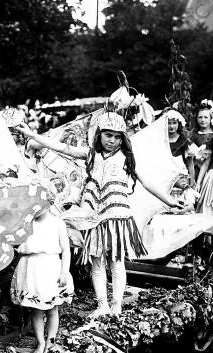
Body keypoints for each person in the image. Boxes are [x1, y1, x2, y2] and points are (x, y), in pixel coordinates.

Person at [17, 112, 182, 317]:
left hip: (116, 216)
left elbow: (147, 181)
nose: (112, 140)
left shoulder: (126, 158)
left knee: (116, 261)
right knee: (96, 261)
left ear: (122, 138)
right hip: (92, 215)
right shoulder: (90, 154)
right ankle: (102, 304)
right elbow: (60, 147)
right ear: (99, 135)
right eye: (108, 135)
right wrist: (31, 134)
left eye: (117, 136)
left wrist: (168, 200)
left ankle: (117, 305)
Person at [10, 197, 73, 353]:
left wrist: (64, 271)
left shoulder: (57, 223)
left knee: (52, 308)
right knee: (36, 309)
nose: (36, 208)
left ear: (51, 203)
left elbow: (66, 250)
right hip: (30, 268)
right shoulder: (26, 223)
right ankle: (40, 343)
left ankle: (50, 342)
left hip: (49, 267)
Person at [164, 109, 195, 184]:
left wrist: (192, 180)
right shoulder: (162, 140)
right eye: (169, 123)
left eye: (174, 123)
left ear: (179, 124)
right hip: (165, 174)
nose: (171, 126)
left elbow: (190, 163)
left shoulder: (184, 140)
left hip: (180, 174)